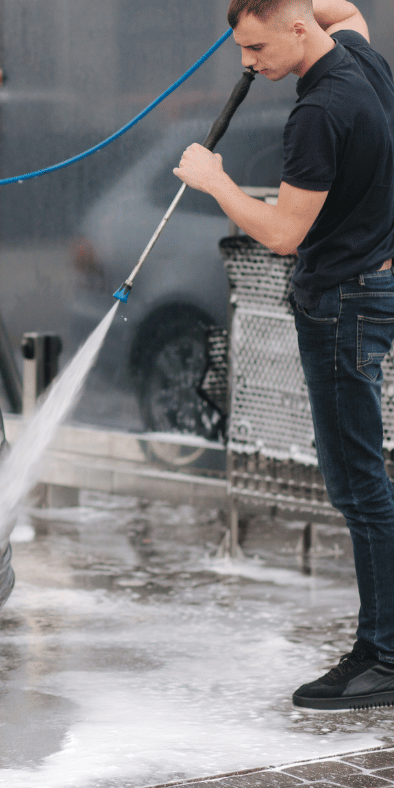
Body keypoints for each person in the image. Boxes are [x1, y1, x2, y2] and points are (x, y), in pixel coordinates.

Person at [173, 0, 394, 710]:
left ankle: (385, 657)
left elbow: (283, 233)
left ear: (299, 29)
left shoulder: (317, 115)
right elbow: (349, 9)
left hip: (341, 308)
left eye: (256, 48)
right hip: (372, 288)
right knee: (366, 486)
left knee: (360, 488)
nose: (247, 64)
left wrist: (215, 182)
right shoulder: (355, 56)